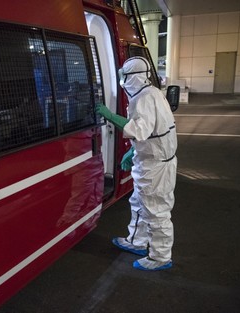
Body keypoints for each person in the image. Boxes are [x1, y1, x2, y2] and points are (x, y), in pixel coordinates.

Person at [96, 56, 177, 271]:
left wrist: (110, 116)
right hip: (151, 160)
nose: (123, 82)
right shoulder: (153, 93)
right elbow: (155, 131)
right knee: (140, 203)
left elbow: (139, 129)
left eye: (125, 77)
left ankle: (160, 257)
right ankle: (137, 241)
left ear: (134, 77)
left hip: (156, 167)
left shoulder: (144, 98)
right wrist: (133, 151)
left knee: (156, 211)